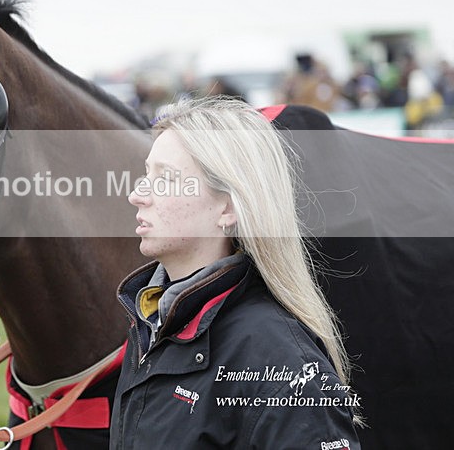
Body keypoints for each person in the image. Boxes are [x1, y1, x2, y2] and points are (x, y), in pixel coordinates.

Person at [110, 97, 361, 448]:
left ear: (227, 206)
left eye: (165, 178)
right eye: (145, 174)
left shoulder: (282, 361)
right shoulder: (151, 324)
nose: (137, 194)